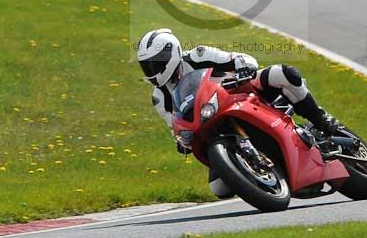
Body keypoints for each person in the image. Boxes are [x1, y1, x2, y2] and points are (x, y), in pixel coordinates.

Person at [136, 28, 343, 199]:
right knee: (219, 188)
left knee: (284, 74)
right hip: (210, 124)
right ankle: (266, 176)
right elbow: (174, 126)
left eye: (156, 62)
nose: (152, 70)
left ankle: (321, 120)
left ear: (172, 53)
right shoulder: (159, 98)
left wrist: (243, 68)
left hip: (240, 94)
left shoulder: (198, 55)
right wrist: (182, 141)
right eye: (146, 66)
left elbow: (240, 58)